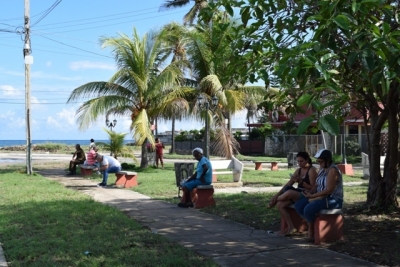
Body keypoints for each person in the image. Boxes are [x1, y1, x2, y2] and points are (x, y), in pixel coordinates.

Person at [294, 149, 343, 242]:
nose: (319, 163)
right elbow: (316, 184)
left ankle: (311, 231)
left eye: (321, 161)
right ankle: (311, 223)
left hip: (332, 199)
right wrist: (311, 193)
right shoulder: (322, 169)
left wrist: (313, 196)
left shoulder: (333, 170)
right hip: (319, 196)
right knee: (299, 205)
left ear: (327, 160)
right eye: (318, 161)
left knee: (309, 208)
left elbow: (329, 190)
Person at [267, 152, 318, 235]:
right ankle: (291, 227)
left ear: (307, 160)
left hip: (307, 194)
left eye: (301, 161)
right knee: (280, 204)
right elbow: (289, 184)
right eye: (298, 161)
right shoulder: (298, 170)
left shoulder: (312, 170)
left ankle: (273, 201)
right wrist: (277, 194)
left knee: (289, 192)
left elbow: (313, 188)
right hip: (298, 193)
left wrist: (301, 182)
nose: (299, 163)